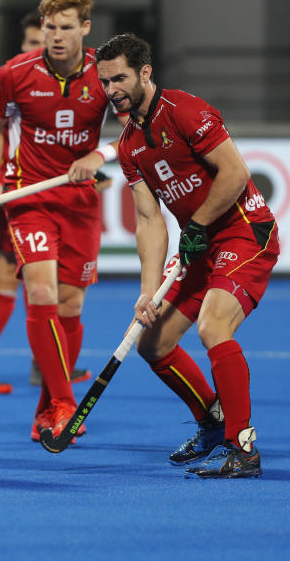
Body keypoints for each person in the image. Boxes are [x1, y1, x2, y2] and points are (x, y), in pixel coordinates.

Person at [96, 33, 278, 478]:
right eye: (104, 82)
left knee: (213, 326)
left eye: (119, 78)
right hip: (199, 249)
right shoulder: (128, 145)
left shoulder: (186, 111)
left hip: (244, 234)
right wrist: (148, 291)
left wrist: (196, 225)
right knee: (153, 343)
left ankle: (243, 448)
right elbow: (148, 220)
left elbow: (235, 173)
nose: (111, 89)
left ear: (145, 72)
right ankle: (213, 422)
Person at [0, 0, 126, 442]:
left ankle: (46, 410)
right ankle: (64, 403)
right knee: (41, 292)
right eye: (49, 27)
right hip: (30, 197)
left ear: (85, 27)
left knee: (71, 304)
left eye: (65, 27)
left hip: (80, 202)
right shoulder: (15, 73)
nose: (55, 36)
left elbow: (136, 130)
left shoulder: (106, 73)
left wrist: (100, 156)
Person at [0, 11, 88, 394]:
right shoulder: (3, 78)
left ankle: (43, 363)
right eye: (32, 41)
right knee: (9, 274)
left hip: (43, 191)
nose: (40, 46)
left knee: (39, 278)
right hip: (12, 193)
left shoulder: (63, 79)